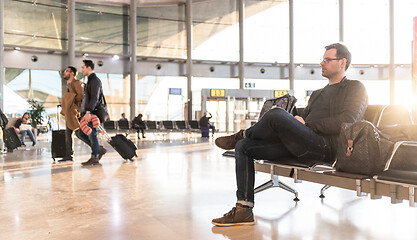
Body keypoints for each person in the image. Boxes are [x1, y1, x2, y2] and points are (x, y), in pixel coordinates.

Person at [211, 43, 368, 227]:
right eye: (322, 59)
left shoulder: (355, 88)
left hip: (326, 148)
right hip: (302, 144)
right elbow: (304, 120)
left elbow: (348, 121)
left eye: (327, 59)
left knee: (276, 114)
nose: (321, 63)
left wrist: (306, 124)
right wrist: (297, 122)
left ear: (342, 62)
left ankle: (243, 134)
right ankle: (243, 210)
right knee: (243, 147)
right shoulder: (317, 94)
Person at [76, 60, 107, 166]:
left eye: (83, 67)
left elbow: (95, 97)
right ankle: (98, 149)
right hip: (87, 112)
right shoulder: (90, 80)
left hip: (92, 112)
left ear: (89, 68)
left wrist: (89, 111)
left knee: (91, 134)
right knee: (80, 133)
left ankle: (95, 156)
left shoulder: (95, 81)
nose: (82, 69)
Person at [61, 66, 84, 161]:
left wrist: (71, 101)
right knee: (68, 133)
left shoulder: (77, 83)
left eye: (67, 71)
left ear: (72, 73)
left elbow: (81, 95)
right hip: (70, 111)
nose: (64, 73)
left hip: (75, 112)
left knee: (79, 133)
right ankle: (68, 154)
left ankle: (97, 148)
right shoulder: (69, 85)